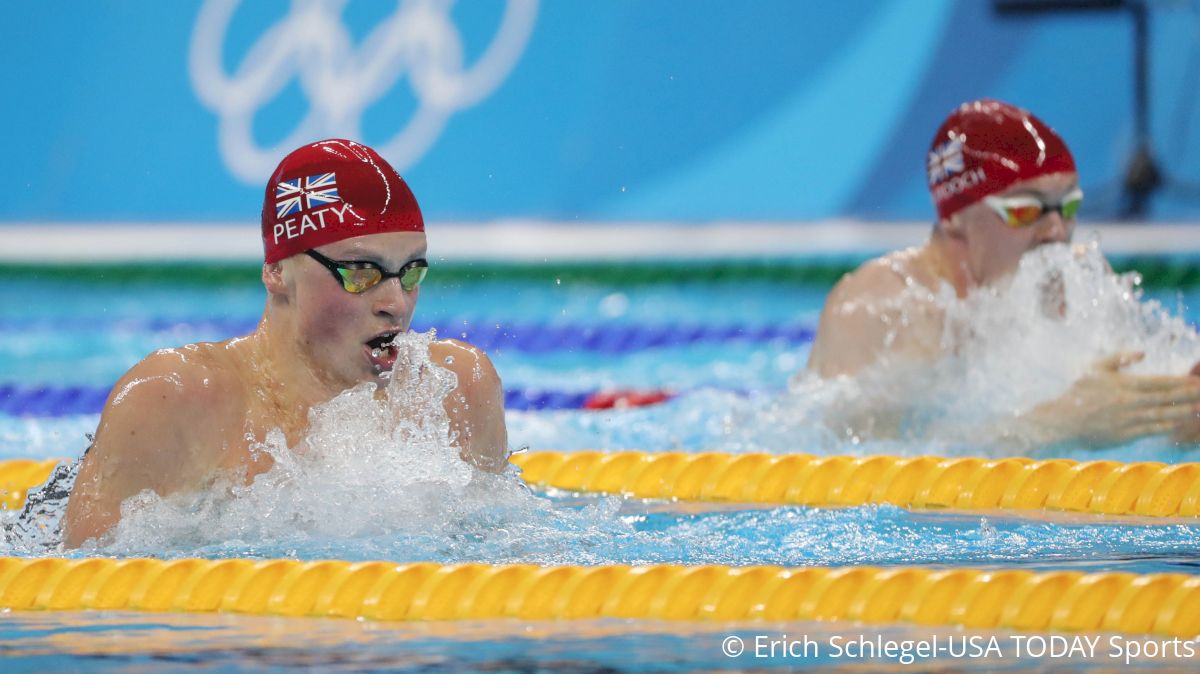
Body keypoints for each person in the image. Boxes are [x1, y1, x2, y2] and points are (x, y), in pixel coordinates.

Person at [62, 139, 508, 547]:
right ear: (277, 270)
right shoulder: (175, 398)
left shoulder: (455, 389)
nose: (396, 303)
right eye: (360, 272)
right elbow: (81, 594)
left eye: (411, 272)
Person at [806, 99, 1200, 448]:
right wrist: (1058, 423)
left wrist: (1178, 413)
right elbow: (868, 470)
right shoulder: (878, 309)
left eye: (1067, 207)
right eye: (1026, 210)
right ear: (956, 216)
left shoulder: (1079, 283)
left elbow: (1132, 416)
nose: (1056, 231)